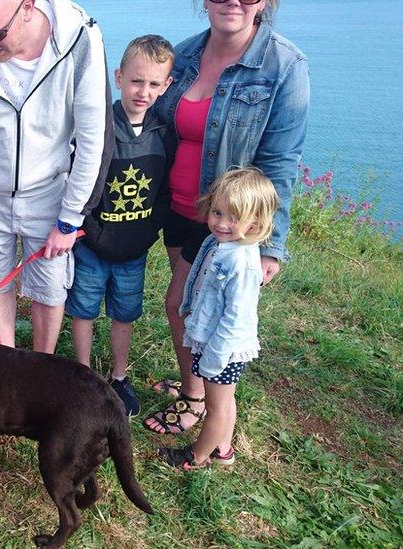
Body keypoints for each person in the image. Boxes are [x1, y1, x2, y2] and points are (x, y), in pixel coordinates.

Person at [144, 0, 310, 434]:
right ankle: (193, 382)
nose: (232, 2)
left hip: (224, 223)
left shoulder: (284, 66)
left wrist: (271, 245)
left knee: (181, 305)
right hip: (177, 208)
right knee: (191, 308)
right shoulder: (180, 57)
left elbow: (279, 162)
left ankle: (196, 401)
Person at [0, 0, 111, 352]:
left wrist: (69, 218)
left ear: (27, 6)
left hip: (50, 191)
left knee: (49, 284)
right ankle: (8, 361)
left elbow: (95, 141)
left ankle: (42, 364)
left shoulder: (79, 38)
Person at [65, 35, 175, 417]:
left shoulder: (164, 134)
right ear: (118, 77)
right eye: (136, 81)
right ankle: (80, 378)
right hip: (91, 245)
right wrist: (90, 230)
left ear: (166, 86)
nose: (143, 91)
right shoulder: (99, 124)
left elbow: (164, 191)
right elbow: (78, 178)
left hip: (134, 250)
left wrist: (150, 231)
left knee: (123, 313)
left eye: (153, 84)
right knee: (83, 309)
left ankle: (119, 377)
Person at [157, 167, 279, 468]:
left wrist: (215, 359)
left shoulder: (242, 262)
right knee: (225, 399)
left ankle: (197, 455)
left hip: (222, 348)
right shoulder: (221, 244)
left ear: (257, 221)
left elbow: (235, 318)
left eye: (234, 217)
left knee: (216, 406)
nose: (222, 223)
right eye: (217, 212)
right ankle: (223, 448)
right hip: (212, 340)